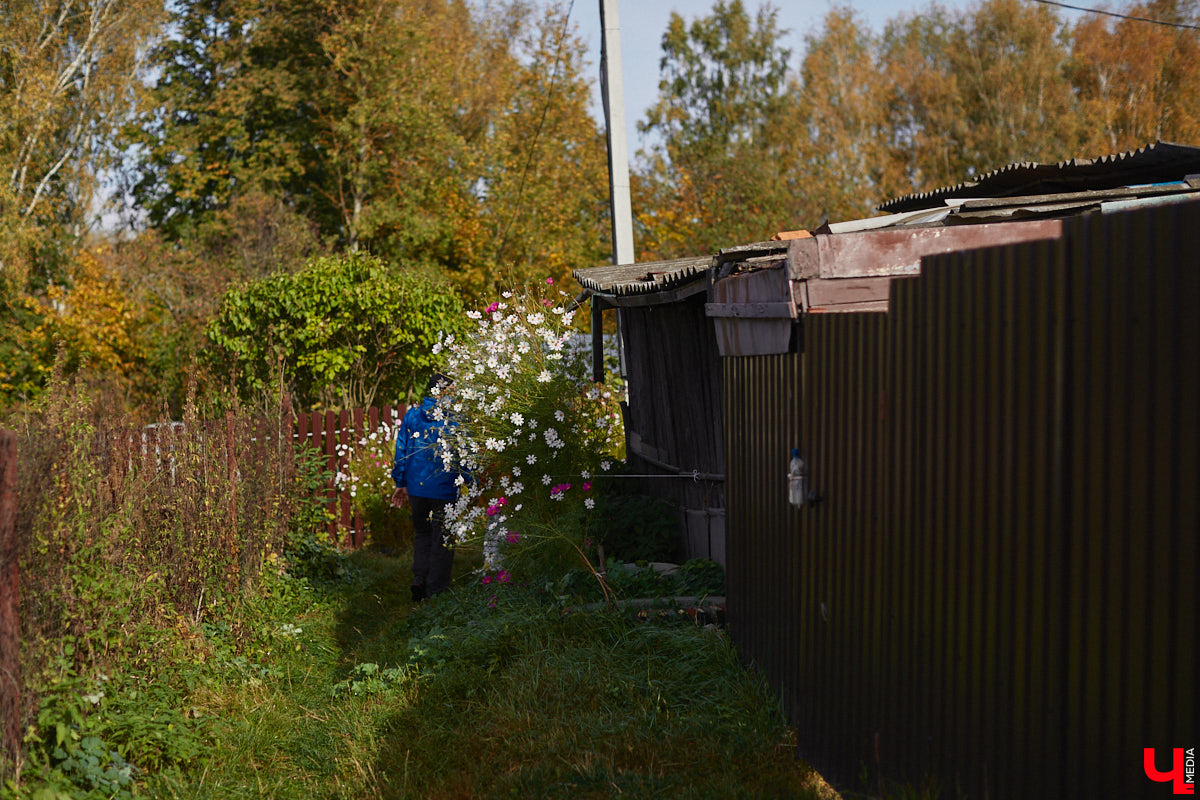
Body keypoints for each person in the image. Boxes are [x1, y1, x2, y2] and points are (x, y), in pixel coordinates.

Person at [391, 373, 459, 602]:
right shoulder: (454, 419)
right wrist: (473, 482)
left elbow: (402, 451)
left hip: (417, 488)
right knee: (442, 538)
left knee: (422, 534)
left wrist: (401, 483)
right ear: (445, 392)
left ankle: (419, 580)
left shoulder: (412, 415)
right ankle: (436, 591)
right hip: (444, 489)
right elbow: (464, 456)